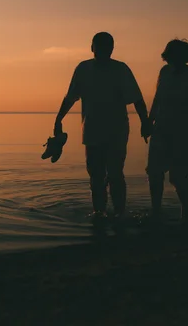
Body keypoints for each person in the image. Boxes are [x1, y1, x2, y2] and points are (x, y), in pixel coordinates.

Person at [54, 32, 150, 219]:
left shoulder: (120, 69)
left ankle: (120, 213)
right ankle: (99, 212)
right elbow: (71, 97)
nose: (102, 50)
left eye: (106, 46)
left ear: (112, 49)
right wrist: (58, 119)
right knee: (95, 175)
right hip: (91, 129)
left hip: (117, 131)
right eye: (99, 46)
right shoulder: (83, 69)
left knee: (115, 173)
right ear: (92, 48)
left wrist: (145, 122)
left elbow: (137, 99)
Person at [146, 39, 188, 222]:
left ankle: (185, 212)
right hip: (160, 131)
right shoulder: (164, 72)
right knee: (154, 173)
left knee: (178, 176)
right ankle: (156, 211)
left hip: (184, 133)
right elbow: (157, 99)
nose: (172, 61)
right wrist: (149, 122)